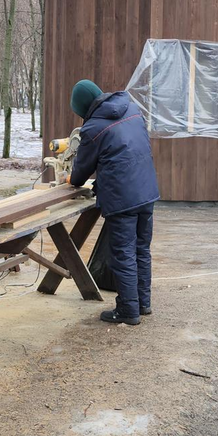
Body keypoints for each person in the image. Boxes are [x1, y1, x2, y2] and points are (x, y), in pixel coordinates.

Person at [68, 80, 160, 326]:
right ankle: (143, 303)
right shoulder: (132, 109)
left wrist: (71, 178)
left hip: (123, 198)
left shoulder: (94, 128)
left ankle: (128, 311)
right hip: (147, 190)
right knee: (141, 248)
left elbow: (80, 174)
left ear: (83, 107)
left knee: (123, 253)